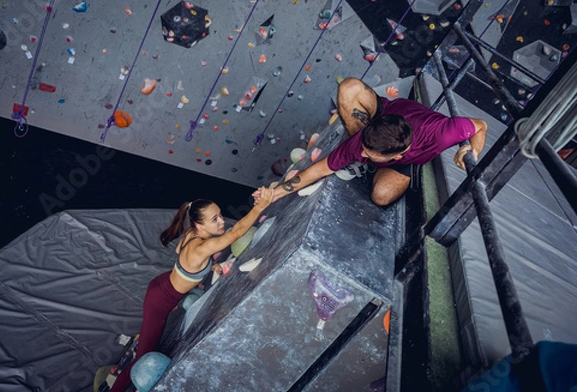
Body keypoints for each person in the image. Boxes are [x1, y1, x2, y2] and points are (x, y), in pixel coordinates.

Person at [110, 187, 274, 392]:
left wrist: (207, 267)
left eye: (220, 215)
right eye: (215, 219)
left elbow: (181, 252)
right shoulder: (202, 247)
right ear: (199, 225)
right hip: (159, 301)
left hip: (163, 284)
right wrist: (261, 206)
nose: (222, 221)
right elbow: (237, 232)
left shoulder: (192, 234)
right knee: (142, 358)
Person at [256, 77, 487, 206]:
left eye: (368, 155)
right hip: (384, 113)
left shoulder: (443, 132)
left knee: (381, 196)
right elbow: (319, 169)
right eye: (363, 151)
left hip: (406, 159)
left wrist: (471, 150)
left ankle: (379, 168)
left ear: (395, 156)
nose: (362, 153)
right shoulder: (362, 144)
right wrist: (274, 194)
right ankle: (366, 157)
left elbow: (481, 126)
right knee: (350, 87)